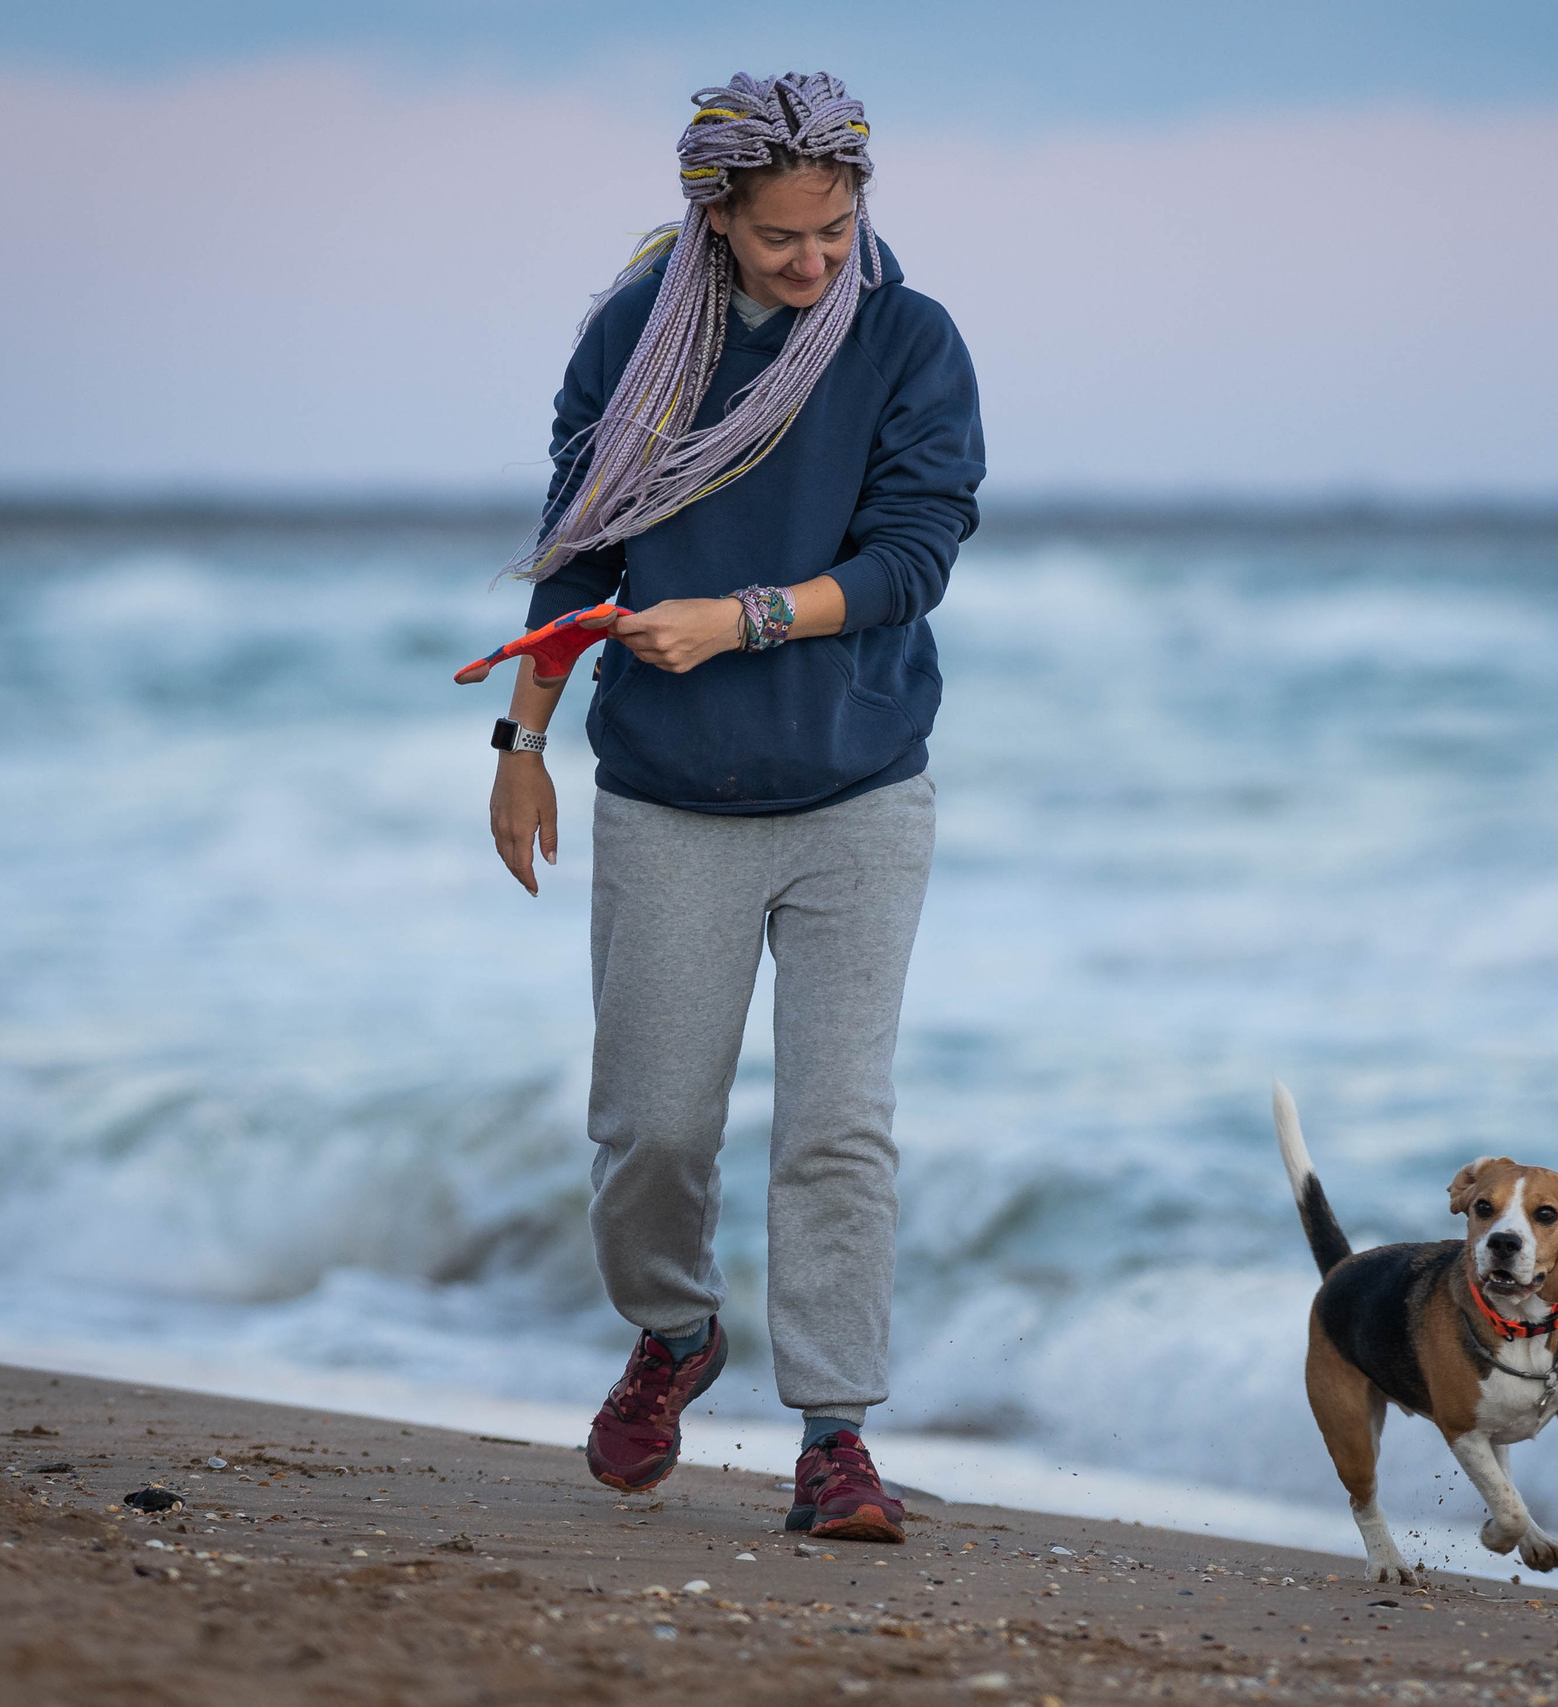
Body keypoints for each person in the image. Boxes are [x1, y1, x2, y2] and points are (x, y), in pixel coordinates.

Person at [480, 71, 983, 1544]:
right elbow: (576, 552)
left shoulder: (906, 340)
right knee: (651, 1128)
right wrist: (520, 741)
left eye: (834, 230)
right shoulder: (634, 340)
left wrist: (740, 619)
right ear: (715, 216)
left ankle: (837, 1440)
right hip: (669, 796)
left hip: (859, 794)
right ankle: (676, 1332)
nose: (814, 262)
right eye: (781, 239)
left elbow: (914, 557)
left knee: (838, 1129)